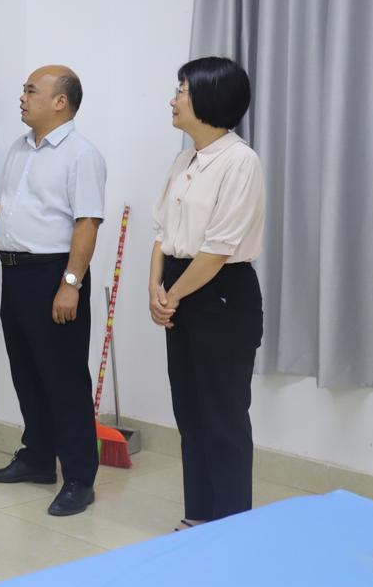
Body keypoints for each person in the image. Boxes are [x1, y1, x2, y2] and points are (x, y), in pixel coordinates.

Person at [0, 65, 106, 517]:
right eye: (24, 90)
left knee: (64, 378)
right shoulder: (19, 148)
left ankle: (80, 478)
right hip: (16, 274)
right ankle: (37, 458)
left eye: (31, 91)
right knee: (26, 372)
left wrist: (71, 283)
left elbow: (87, 223)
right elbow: (1, 207)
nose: (22, 97)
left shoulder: (81, 155)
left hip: (55, 275)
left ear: (60, 102)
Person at [149, 56, 264, 530]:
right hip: (180, 285)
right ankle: (198, 516)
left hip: (222, 295)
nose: (173, 100)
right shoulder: (184, 159)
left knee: (223, 416)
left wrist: (171, 294)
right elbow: (162, 232)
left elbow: (217, 250)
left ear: (209, 98)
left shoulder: (240, 161)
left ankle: (231, 527)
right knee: (190, 412)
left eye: (181, 90)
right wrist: (154, 289)